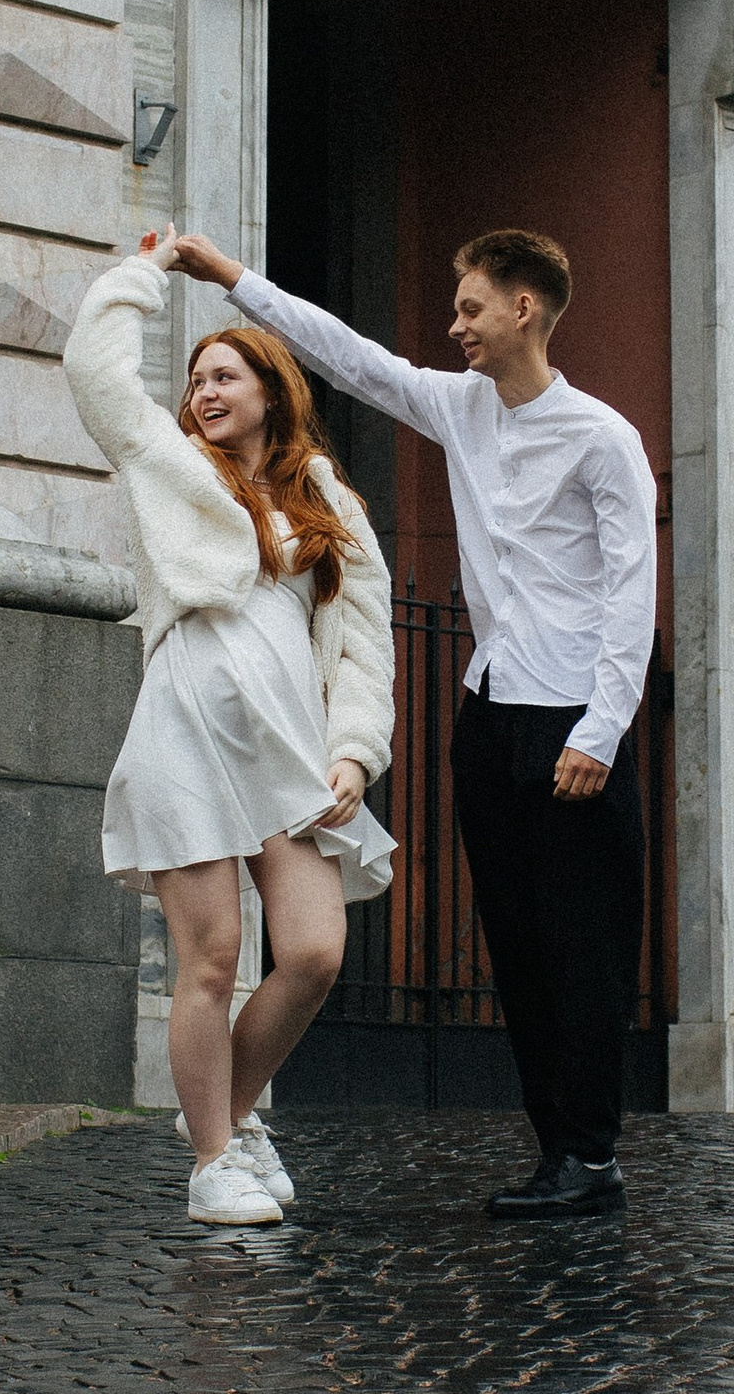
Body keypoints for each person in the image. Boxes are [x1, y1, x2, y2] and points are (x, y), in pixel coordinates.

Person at [168, 224, 657, 1222]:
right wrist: (228, 277)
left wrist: (600, 734)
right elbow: (352, 357)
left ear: (523, 308)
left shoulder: (603, 437)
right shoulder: (460, 407)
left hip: (575, 722)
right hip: (489, 714)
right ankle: (553, 1150)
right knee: (515, 947)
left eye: (470, 308)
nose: (455, 326)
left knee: (585, 949)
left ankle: (592, 1156)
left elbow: (630, 593)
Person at [64, 232, 395, 1225]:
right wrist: (148, 275)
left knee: (312, 953)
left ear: (269, 388)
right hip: (188, 733)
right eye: (198, 378)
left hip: (291, 747)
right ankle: (215, 1159)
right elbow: (94, 366)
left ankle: (230, 1113)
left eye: (225, 375)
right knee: (208, 958)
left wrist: (354, 750)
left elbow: (367, 644)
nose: (205, 392)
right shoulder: (164, 463)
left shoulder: (325, 498)